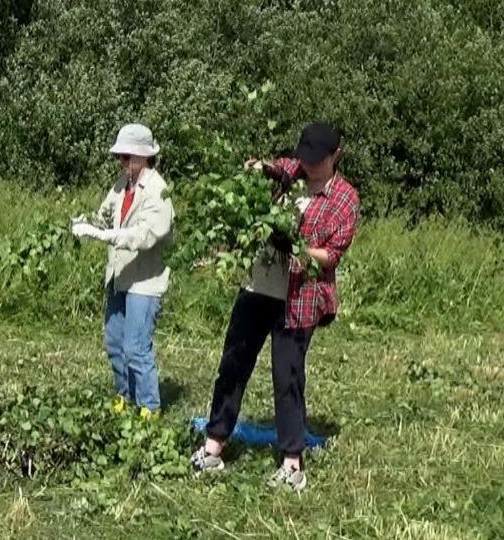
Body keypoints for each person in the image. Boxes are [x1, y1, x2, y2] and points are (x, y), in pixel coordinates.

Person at [190, 122, 359, 491]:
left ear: (337, 156)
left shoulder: (345, 199)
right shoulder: (292, 172)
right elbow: (274, 166)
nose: (308, 166)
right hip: (258, 287)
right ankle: (213, 447)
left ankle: (292, 464)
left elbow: (329, 257)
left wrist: (294, 245)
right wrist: (258, 168)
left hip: (300, 296)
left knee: (287, 377)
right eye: (305, 158)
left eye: (317, 160)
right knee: (234, 363)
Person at [72, 123, 175, 417]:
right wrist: (87, 222)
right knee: (115, 342)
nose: (123, 162)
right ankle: (124, 396)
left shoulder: (158, 191)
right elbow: (104, 215)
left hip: (144, 280)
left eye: (128, 157)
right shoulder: (121, 185)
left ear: (144, 156)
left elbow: (147, 234)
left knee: (136, 347)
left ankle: (149, 407)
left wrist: (108, 236)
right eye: (120, 157)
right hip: (119, 276)